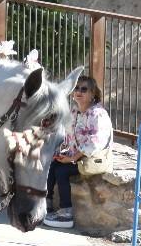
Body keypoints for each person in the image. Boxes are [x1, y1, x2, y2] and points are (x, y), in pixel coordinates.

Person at [43, 75, 113, 228]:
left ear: (93, 94)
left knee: (62, 171)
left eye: (84, 89)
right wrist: (62, 152)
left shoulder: (98, 114)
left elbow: (95, 143)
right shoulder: (76, 112)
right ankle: (45, 204)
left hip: (94, 160)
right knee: (52, 163)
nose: (79, 92)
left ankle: (66, 214)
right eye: (76, 88)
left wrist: (72, 157)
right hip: (79, 157)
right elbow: (70, 138)